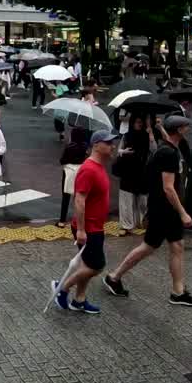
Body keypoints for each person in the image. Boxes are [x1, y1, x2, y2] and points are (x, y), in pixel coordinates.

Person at [103, 115, 192, 307]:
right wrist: (183, 213)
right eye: (185, 127)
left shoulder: (168, 147)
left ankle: (177, 291)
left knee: (174, 246)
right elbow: (168, 188)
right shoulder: (169, 154)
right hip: (165, 209)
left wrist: (158, 127)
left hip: (162, 208)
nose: (188, 129)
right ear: (180, 130)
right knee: (151, 247)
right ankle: (115, 277)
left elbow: (168, 138)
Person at [52, 130, 119, 315]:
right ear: (96, 145)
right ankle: (62, 288)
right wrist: (81, 230)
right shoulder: (89, 169)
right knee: (96, 266)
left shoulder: (99, 166)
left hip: (95, 225)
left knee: (86, 264)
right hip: (88, 228)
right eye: (108, 143)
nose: (112, 145)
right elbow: (79, 200)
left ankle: (79, 300)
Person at [115, 115, 151, 235]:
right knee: (126, 198)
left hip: (143, 171)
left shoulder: (147, 136)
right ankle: (126, 225)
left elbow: (154, 149)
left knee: (143, 199)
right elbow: (118, 151)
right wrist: (124, 152)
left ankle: (142, 222)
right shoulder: (127, 135)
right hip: (127, 170)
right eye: (136, 122)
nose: (139, 124)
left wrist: (151, 133)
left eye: (140, 122)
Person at [57, 128, 90, 228]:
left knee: (66, 196)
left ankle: (62, 221)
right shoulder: (85, 147)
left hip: (69, 173)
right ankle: (79, 220)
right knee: (80, 197)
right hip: (81, 172)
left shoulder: (69, 146)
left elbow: (62, 160)